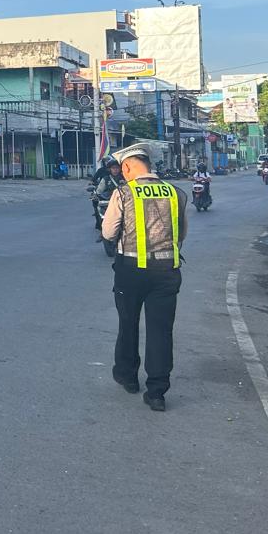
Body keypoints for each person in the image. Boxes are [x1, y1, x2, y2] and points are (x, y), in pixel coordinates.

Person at [102, 143, 188, 413]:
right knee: (161, 331)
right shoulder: (175, 192)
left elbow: (108, 232)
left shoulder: (123, 192)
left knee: (128, 323)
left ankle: (127, 376)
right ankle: (156, 392)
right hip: (166, 271)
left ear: (127, 167)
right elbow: (181, 234)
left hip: (131, 271)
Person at [87, 155, 123, 243]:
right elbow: (99, 191)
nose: (115, 170)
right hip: (109, 202)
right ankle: (103, 233)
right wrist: (95, 195)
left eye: (117, 168)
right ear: (110, 169)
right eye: (113, 168)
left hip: (123, 202)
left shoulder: (125, 178)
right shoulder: (105, 179)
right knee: (103, 216)